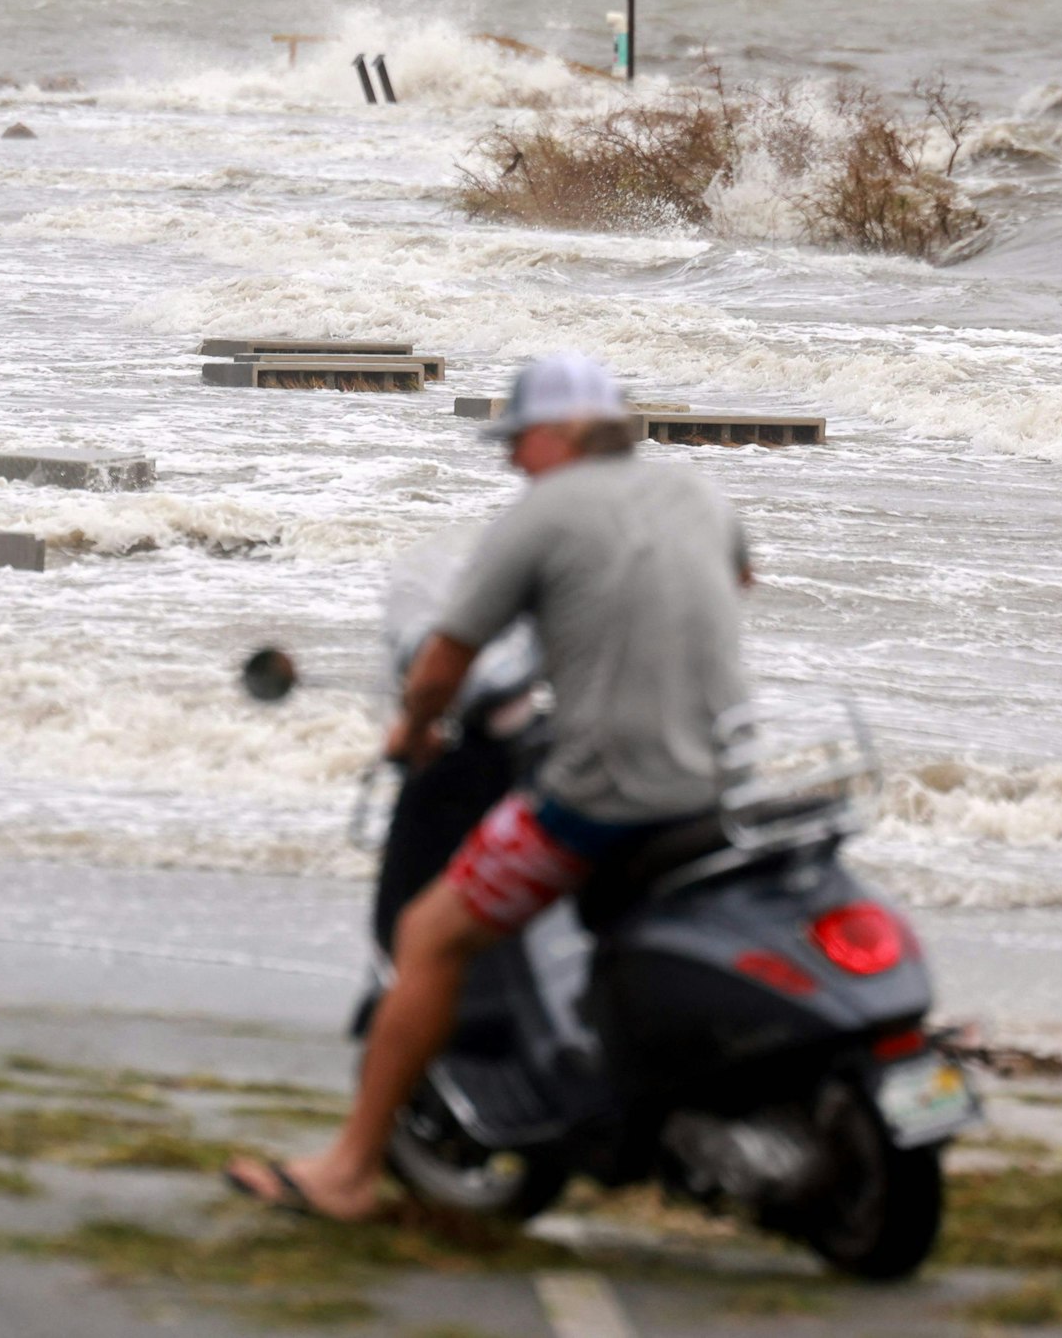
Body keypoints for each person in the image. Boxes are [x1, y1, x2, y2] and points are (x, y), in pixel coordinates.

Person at [226, 351, 752, 1222]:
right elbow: (734, 584)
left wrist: (414, 728)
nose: (511, 460)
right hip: (718, 786)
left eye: (519, 441)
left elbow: (442, 662)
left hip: (601, 800)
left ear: (560, 434)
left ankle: (350, 1170)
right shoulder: (695, 494)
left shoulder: (542, 515)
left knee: (429, 935)